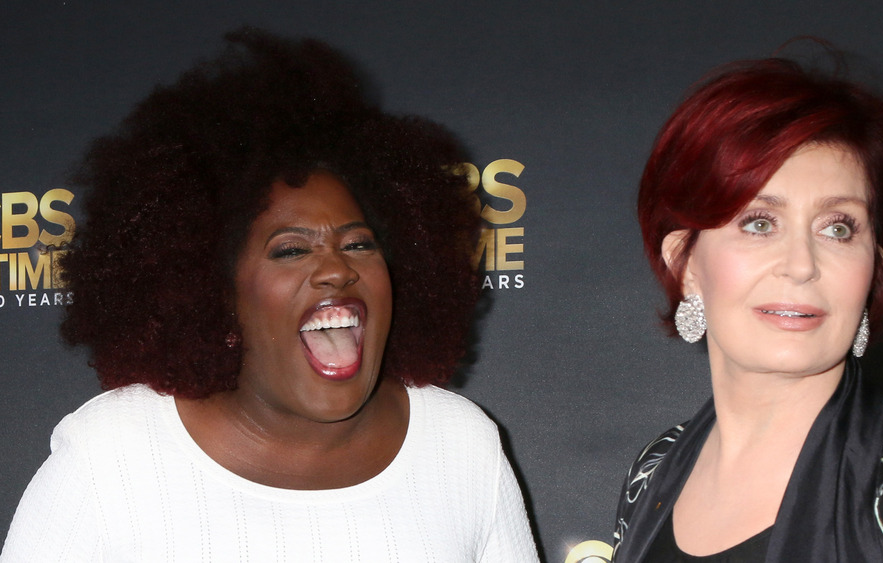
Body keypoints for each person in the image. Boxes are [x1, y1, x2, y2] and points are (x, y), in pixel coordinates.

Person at [2, 28, 538, 562]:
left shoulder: (463, 448)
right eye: (290, 250)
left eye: (358, 243)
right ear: (213, 294)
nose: (336, 269)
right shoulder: (111, 459)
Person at [612, 58, 883, 562]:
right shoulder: (655, 471)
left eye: (838, 228)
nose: (801, 266)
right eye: (759, 223)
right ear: (685, 263)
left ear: (874, 267)